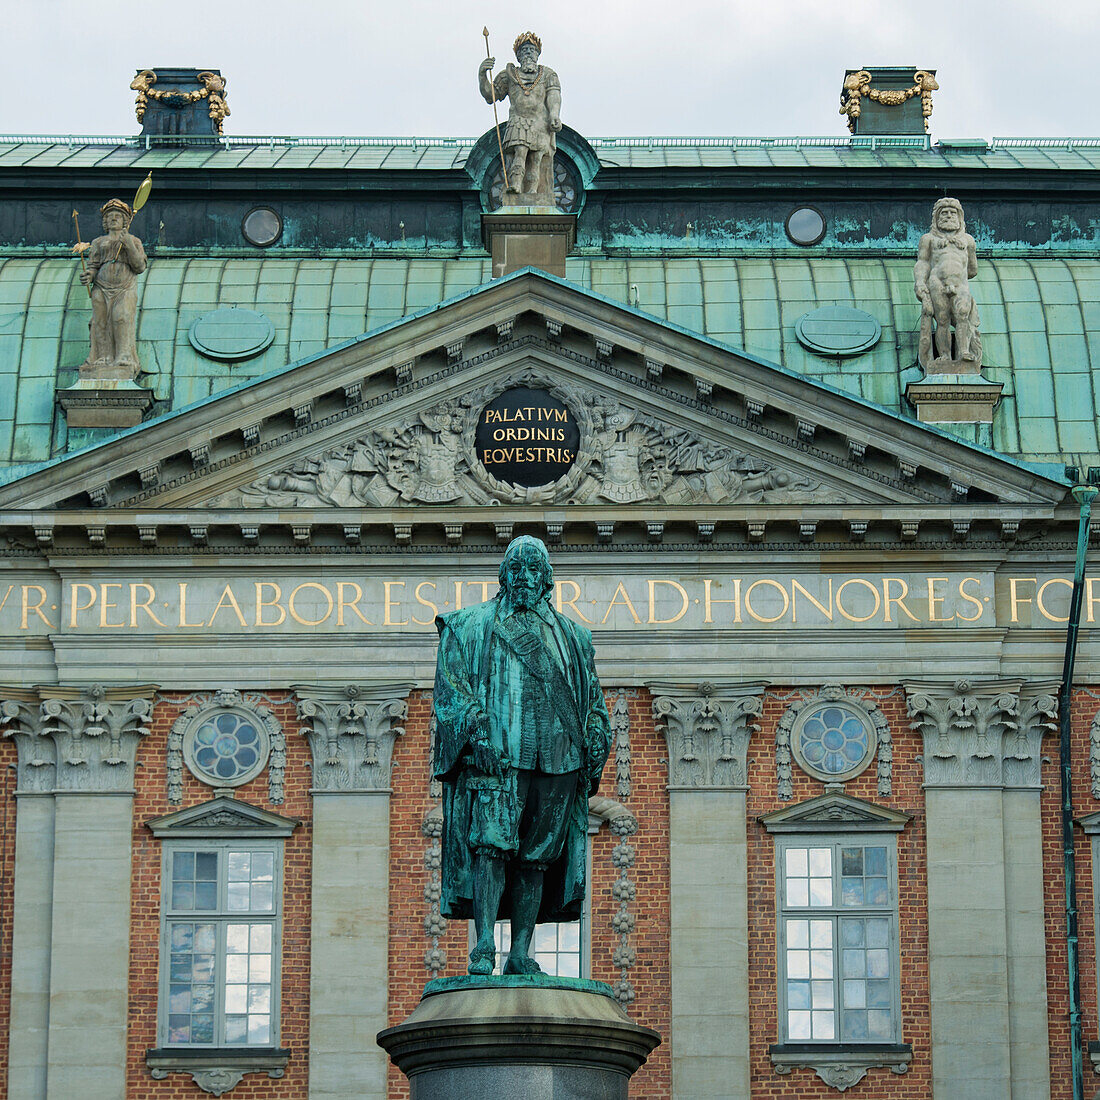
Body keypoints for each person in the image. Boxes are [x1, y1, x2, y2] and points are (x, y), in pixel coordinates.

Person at [432, 535, 611, 975]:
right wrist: (476, 734)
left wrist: (595, 736)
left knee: (537, 857)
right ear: (503, 576)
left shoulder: (573, 636)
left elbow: (591, 701)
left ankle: (521, 951)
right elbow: (452, 690)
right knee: (491, 846)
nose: (525, 578)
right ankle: (484, 945)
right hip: (499, 756)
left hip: (558, 759)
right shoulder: (470, 626)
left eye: (534, 570)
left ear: (547, 580)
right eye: (517, 569)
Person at [478, 31, 562, 201]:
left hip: (540, 123)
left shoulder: (548, 75)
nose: (528, 53)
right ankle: (515, 185)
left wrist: (554, 115)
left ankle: (533, 191)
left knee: (536, 159)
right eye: (524, 50)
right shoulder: (508, 75)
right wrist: (482, 75)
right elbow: (491, 95)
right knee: (519, 153)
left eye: (532, 49)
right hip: (518, 121)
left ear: (538, 54)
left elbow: (554, 95)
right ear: (518, 56)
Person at [79, 198, 147, 378]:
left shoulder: (133, 240)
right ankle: (103, 357)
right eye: (110, 216)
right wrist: (89, 275)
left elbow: (139, 266)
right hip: (101, 286)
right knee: (100, 321)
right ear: (105, 221)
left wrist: (129, 246)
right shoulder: (98, 242)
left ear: (126, 221)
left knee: (121, 317)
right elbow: (93, 265)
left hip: (125, 287)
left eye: (118, 216)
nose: (113, 219)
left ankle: (124, 356)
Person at [914, 197, 981, 368]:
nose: (948, 216)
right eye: (944, 213)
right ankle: (944, 355)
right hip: (937, 283)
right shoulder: (928, 239)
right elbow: (922, 262)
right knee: (942, 319)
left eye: (953, 213)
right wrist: (920, 282)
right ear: (936, 218)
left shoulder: (968, 241)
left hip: (960, 285)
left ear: (960, 217)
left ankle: (963, 352)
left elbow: (973, 269)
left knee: (962, 316)